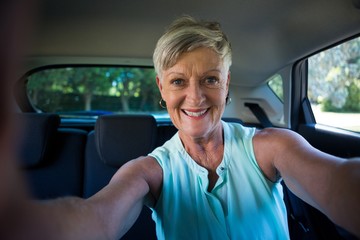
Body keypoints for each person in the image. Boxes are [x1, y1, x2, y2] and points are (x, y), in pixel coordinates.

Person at [1, 12, 359, 239]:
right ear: (161, 87)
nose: (195, 97)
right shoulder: (149, 170)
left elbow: (339, 180)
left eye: (209, 80)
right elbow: (98, 217)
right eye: (178, 82)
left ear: (227, 83)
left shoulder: (270, 146)